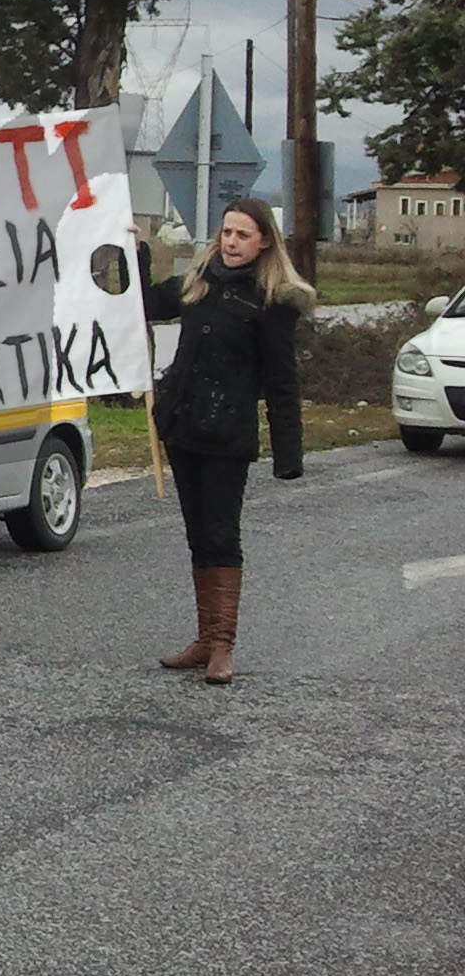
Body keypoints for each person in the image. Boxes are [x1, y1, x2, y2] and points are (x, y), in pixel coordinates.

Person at [139, 196, 310, 684]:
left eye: (242, 235)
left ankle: (222, 647)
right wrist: (136, 253)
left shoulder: (272, 302)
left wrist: (288, 453)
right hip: (182, 426)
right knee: (197, 535)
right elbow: (144, 304)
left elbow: (282, 382)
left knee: (221, 535)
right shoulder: (198, 281)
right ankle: (203, 638)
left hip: (228, 434)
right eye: (227, 232)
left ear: (264, 242)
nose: (231, 243)